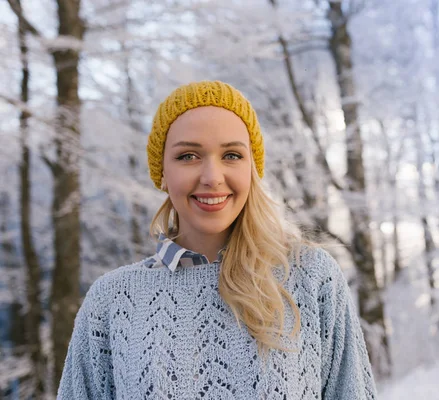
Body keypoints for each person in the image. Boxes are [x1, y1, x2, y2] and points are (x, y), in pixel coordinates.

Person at [57, 80, 377, 399]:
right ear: (162, 173)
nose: (212, 177)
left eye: (232, 155)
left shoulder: (312, 278)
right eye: (188, 156)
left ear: (252, 168)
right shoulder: (111, 301)